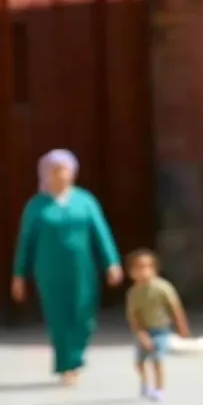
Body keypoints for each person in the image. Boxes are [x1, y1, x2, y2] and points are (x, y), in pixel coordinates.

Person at [12, 149, 123, 386]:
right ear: (45, 174)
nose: (60, 175)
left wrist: (111, 263)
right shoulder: (36, 206)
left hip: (82, 268)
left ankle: (76, 355)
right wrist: (19, 275)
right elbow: (26, 242)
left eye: (64, 170)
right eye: (55, 171)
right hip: (50, 270)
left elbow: (100, 233)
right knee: (58, 316)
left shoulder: (85, 201)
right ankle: (67, 364)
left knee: (84, 316)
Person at [125, 248, 190, 402]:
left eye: (147, 267)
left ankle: (159, 389)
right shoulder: (133, 293)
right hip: (145, 330)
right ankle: (145, 383)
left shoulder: (162, 287)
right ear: (131, 272)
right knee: (139, 361)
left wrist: (182, 327)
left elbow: (174, 307)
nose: (143, 271)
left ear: (154, 270)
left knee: (157, 359)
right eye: (138, 268)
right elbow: (134, 316)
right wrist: (141, 334)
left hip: (161, 329)